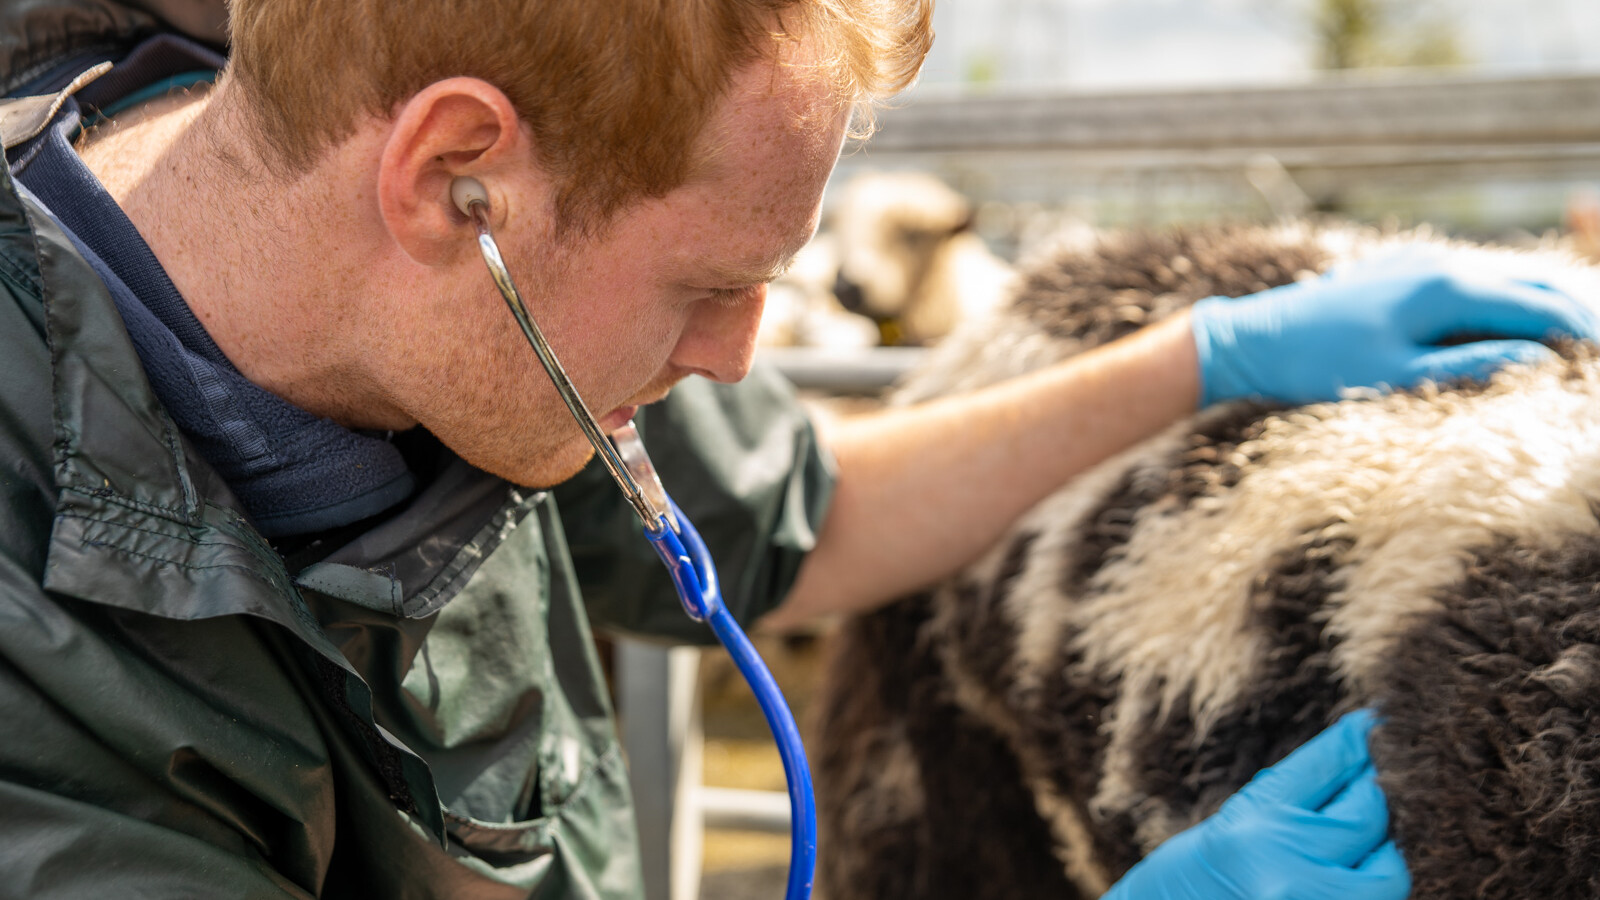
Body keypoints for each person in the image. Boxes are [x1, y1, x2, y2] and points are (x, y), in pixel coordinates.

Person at [0, 2, 1590, 897]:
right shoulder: (38, 671)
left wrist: (1203, 357)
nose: (740, 356)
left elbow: (795, 521)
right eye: (712, 284)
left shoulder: (448, 295)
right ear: (452, 177)